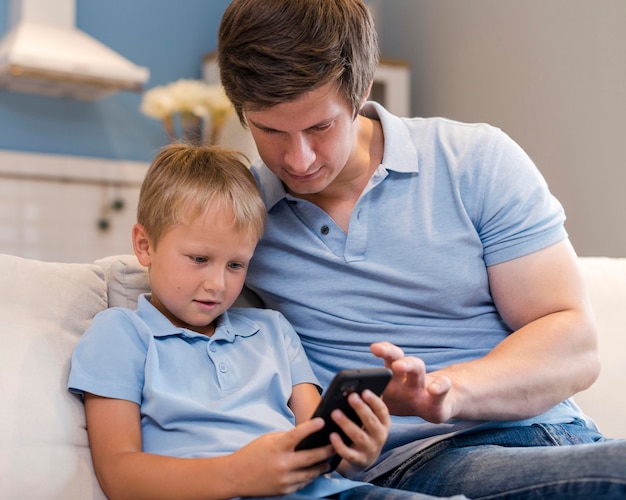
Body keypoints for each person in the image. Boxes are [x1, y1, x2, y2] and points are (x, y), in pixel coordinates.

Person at [217, 0, 626, 498]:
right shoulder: (240, 216)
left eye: (320, 127)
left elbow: (576, 345)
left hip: (563, 438)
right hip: (420, 465)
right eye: (270, 132)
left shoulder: (475, 161)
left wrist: (445, 391)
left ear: (362, 91)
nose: (297, 160)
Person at [67, 144, 464, 500]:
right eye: (199, 259)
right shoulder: (121, 333)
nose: (217, 284)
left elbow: (318, 442)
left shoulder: (273, 330)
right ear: (144, 245)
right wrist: (237, 475)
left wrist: (355, 450)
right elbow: (120, 474)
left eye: (236, 264)